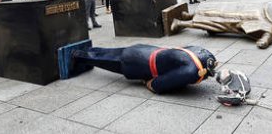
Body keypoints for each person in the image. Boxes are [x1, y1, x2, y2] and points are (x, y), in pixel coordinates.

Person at [68, 44, 216, 94]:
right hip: (139, 63)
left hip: (145, 50)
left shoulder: (199, 51)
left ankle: (88, 50)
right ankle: (79, 57)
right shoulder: (192, 70)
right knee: (108, 61)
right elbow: (160, 85)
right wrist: (151, 84)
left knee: (110, 52)